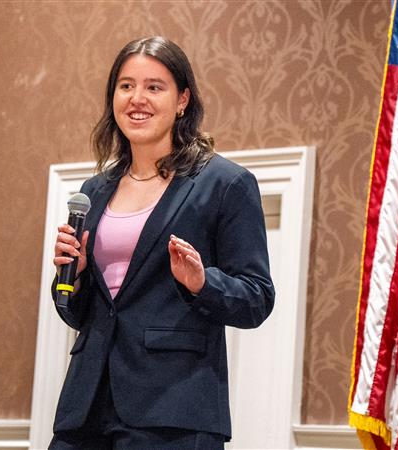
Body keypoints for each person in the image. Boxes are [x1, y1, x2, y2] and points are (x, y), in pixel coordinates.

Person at [49, 36, 275, 450]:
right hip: (86, 405)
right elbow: (83, 313)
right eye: (126, 86)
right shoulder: (93, 191)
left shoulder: (224, 184)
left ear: (182, 99)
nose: (138, 98)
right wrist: (75, 278)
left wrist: (202, 282)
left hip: (174, 408)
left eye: (154, 87)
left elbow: (257, 299)